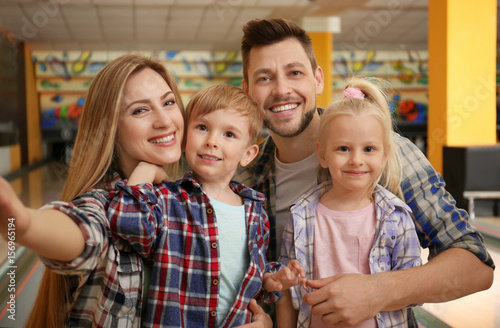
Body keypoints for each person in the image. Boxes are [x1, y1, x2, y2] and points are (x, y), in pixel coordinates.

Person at [235, 17, 494, 326]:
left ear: (317, 79)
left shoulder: (388, 154)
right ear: (247, 90)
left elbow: (475, 264)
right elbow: (254, 281)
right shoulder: (243, 176)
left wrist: (377, 291)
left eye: (294, 73)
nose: (282, 89)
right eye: (265, 78)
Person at [0, 55, 270, 328]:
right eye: (140, 110)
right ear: (112, 129)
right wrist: (24, 224)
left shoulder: (190, 197)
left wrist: (261, 319)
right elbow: (84, 231)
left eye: (168, 102)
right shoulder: (107, 203)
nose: (164, 120)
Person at [107, 83, 306, 327]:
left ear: (248, 154)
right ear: (185, 137)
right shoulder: (166, 200)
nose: (212, 141)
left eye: (229, 134)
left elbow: (252, 271)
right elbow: (125, 222)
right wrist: (145, 171)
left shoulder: (255, 212)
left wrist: (271, 279)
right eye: (202, 128)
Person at [279, 77, 423, 328]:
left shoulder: (396, 217)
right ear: (322, 154)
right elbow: (287, 293)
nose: (356, 160)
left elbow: (413, 291)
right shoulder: (300, 216)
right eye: (343, 149)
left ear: (384, 155)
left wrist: (374, 296)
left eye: (369, 149)